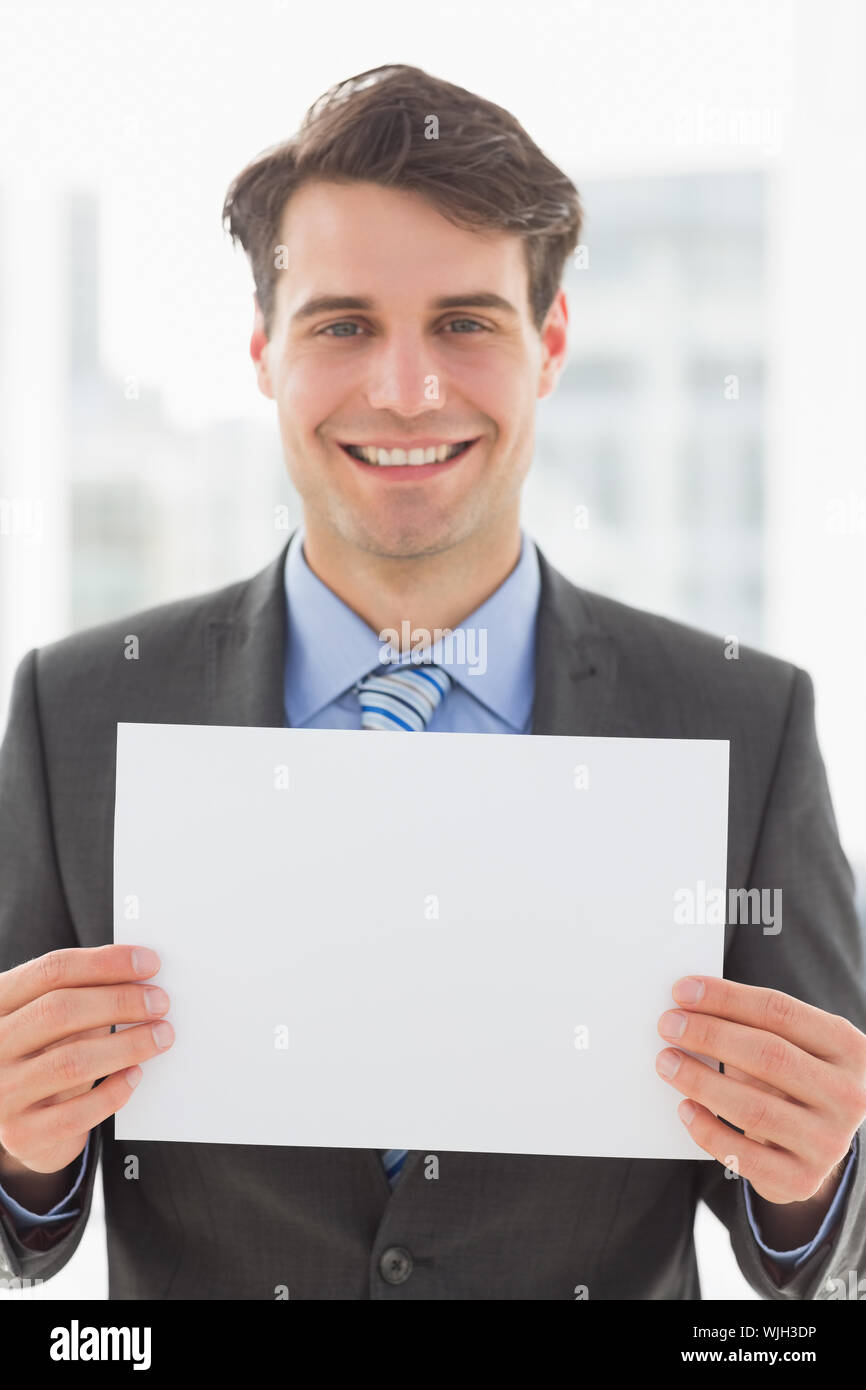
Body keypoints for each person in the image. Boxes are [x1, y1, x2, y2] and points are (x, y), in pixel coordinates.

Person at [0, 64, 864, 1301]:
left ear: (548, 344)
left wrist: (811, 1178)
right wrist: (18, 1155)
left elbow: (817, 1243)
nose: (405, 391)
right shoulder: (73, 714)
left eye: (464, 321)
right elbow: (22, 1219)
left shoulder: (744, 720)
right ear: (263, 353)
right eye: (342, 324)